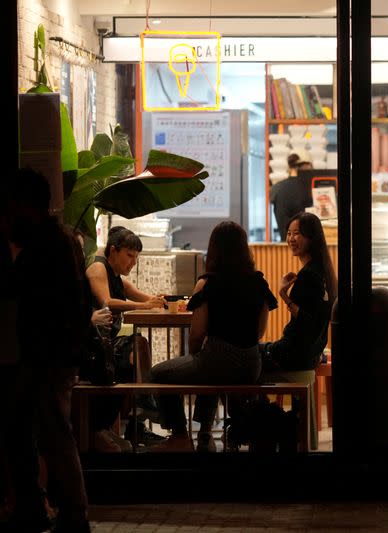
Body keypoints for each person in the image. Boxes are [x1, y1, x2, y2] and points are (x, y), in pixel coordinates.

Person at [2, 168, 91, 532]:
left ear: (26, 205)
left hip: (46, 355)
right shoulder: (63, 241)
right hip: (56, 353)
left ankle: (71, 513)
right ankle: (43, 506)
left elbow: (19, 288)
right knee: (41, 430)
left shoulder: (43, 246)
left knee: (52, 433)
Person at [150, 221, 278, 452]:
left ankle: (181, 435)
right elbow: (260, 332)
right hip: (251, 364)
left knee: (162, 372)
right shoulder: (259, 283)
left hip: (217, 360)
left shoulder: (207, 283)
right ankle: (206, 433)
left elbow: (197, 334)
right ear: (243, 248)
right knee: (207, 366)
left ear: (214, 249)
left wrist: (196, 355)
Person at [84, 226, 167, 452]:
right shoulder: (98, 267)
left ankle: (139, 410)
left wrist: (162, 301)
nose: (133, 262)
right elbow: (107, 302)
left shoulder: (117, 275)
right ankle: (112, 423)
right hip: (90, 348)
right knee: (133, 351)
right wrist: (145, 306)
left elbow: (142, 296)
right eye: (129, 256)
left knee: (138, 344)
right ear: (113, 250)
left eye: (136, 257)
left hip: (105, 345)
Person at [259, 212, 336, 449]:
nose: (291, 238)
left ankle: (265, 431)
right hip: (310, 353)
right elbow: (313, 320)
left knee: (245, 361)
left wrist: (283, 295)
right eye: (289, 233)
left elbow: (305, 321)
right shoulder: (323, 272)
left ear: (311, 237)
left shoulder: (309, 276)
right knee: (256, 353)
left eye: (297, 234)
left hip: (294, 354)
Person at [270, 149, 314, 241]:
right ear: (307, 165)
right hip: (306, 247)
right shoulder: (309, 188)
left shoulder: (277, 188)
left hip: (284, 247)